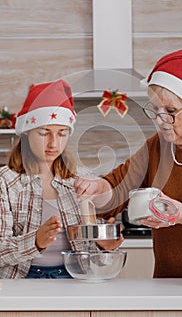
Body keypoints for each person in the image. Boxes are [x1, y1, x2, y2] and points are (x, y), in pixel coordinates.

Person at [74, 49, 182, 278]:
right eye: (155, 110)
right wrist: (97, 188)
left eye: (170, 111)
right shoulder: (157, 148)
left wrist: (181, 214)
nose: (160, 120)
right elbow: (115, 192)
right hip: (167, 283)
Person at [0, 79, 123, 279]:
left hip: (73, 277)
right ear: (26, 133)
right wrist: (35, 241)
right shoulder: (5, 182)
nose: (53, 143)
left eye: (62, 133)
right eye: (44, 133)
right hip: (21, 280)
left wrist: (103, 246)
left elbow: (91, 253)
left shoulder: (78, 181)